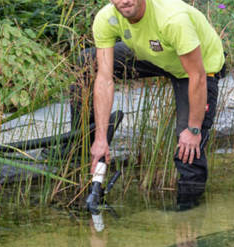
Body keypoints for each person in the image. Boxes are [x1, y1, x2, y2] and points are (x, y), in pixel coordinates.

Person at [75, 0, 225, 211]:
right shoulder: (107, 18)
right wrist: (100, 138)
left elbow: (197, 76)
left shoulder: (172, 19)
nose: (124, 1)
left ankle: (188, 215)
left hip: (198, 68)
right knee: (85, 62)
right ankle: (80, 151)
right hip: (155, 54)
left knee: (188, 146)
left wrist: (193, 129)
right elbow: (104, 79)